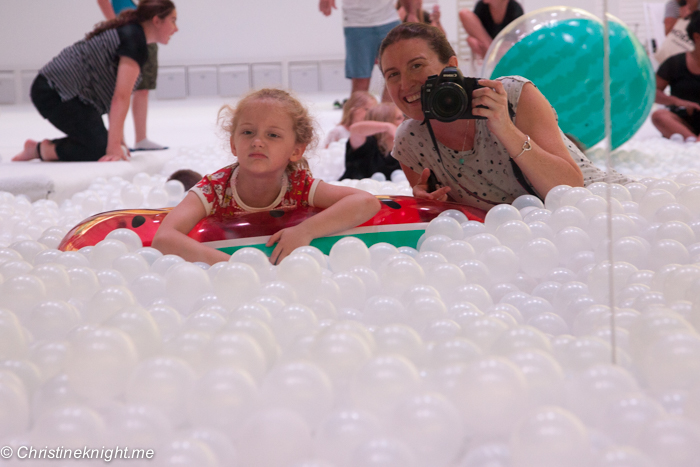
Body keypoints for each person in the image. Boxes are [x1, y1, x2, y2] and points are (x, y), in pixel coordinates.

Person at [378, 23, 629, 217]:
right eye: (392, 74)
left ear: (451, 66)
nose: (405, 84)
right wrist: (428, 204)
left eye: (416, 66)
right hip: (525, 239)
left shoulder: (512, 95)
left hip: (605, 207)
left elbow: (570, 188)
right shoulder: (409, 142)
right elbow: (458, 221)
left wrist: (505, 129)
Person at [152, 88, 381, 265]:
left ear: (296, 150)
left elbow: (366, 202)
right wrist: (230, 264)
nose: (257, 141)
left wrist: (305, 231)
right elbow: (164, 238)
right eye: (247, 132)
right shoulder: (214, 189)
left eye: (273, 135)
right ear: (233, 144)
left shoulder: (298, 185)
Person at [12, 0, 177, 163]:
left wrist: (118, 142)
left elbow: (118, 94)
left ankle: (37, 149)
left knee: (102, 145)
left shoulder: (133, 35)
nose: (176, 29)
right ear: (156, 20)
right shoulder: (134, 40)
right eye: (173, 20)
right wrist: (113, 146)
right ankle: (39, 150)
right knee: (99, 149)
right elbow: (121, 97)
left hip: (76, 97)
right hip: (53, 92)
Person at [97, 0, 167, 151]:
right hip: (126, 29)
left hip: (147, 29)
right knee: (121, 89)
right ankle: (119, 139)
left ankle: (141, 138)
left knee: (144, 88)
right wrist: (114, 22)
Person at [319, 0, 420, 96]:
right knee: (361, 80)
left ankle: (387, 112)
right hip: (357, 23)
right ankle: (359, 111)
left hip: (388, 19)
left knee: (397, 75)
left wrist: (411, 13)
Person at [653, 11, 700, 141]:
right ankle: (692, 141)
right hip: (682, 122)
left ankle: (692, 143)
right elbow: (654, 93)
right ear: (696, 37)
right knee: (659, 115)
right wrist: (676, 101)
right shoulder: (675, 63)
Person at [341, 103, 403, 180]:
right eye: (399, 118)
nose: (404, 120)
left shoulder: (403, 146)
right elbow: (354, 129)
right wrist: (388, 127)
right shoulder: (368, 142)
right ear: (384, 120)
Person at [459, 0, 524, 60]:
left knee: (507, 48)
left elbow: (517, 40)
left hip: (505, 49)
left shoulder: (514, 8)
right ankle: (491, 52)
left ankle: (492, 55)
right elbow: (474, 34)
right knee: (471, 39)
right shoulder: (481, 6)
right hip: (487, 47)